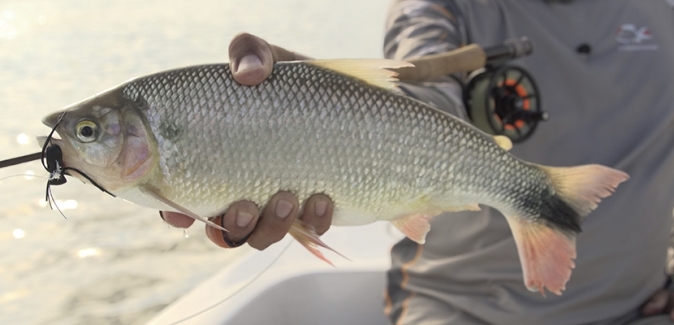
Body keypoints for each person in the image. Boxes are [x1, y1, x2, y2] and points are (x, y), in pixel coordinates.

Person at [161, 0, 674, 323]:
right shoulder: (435, 6)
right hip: (463, 310)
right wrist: (313, 103)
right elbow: (430, 102)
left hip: (643, 306)